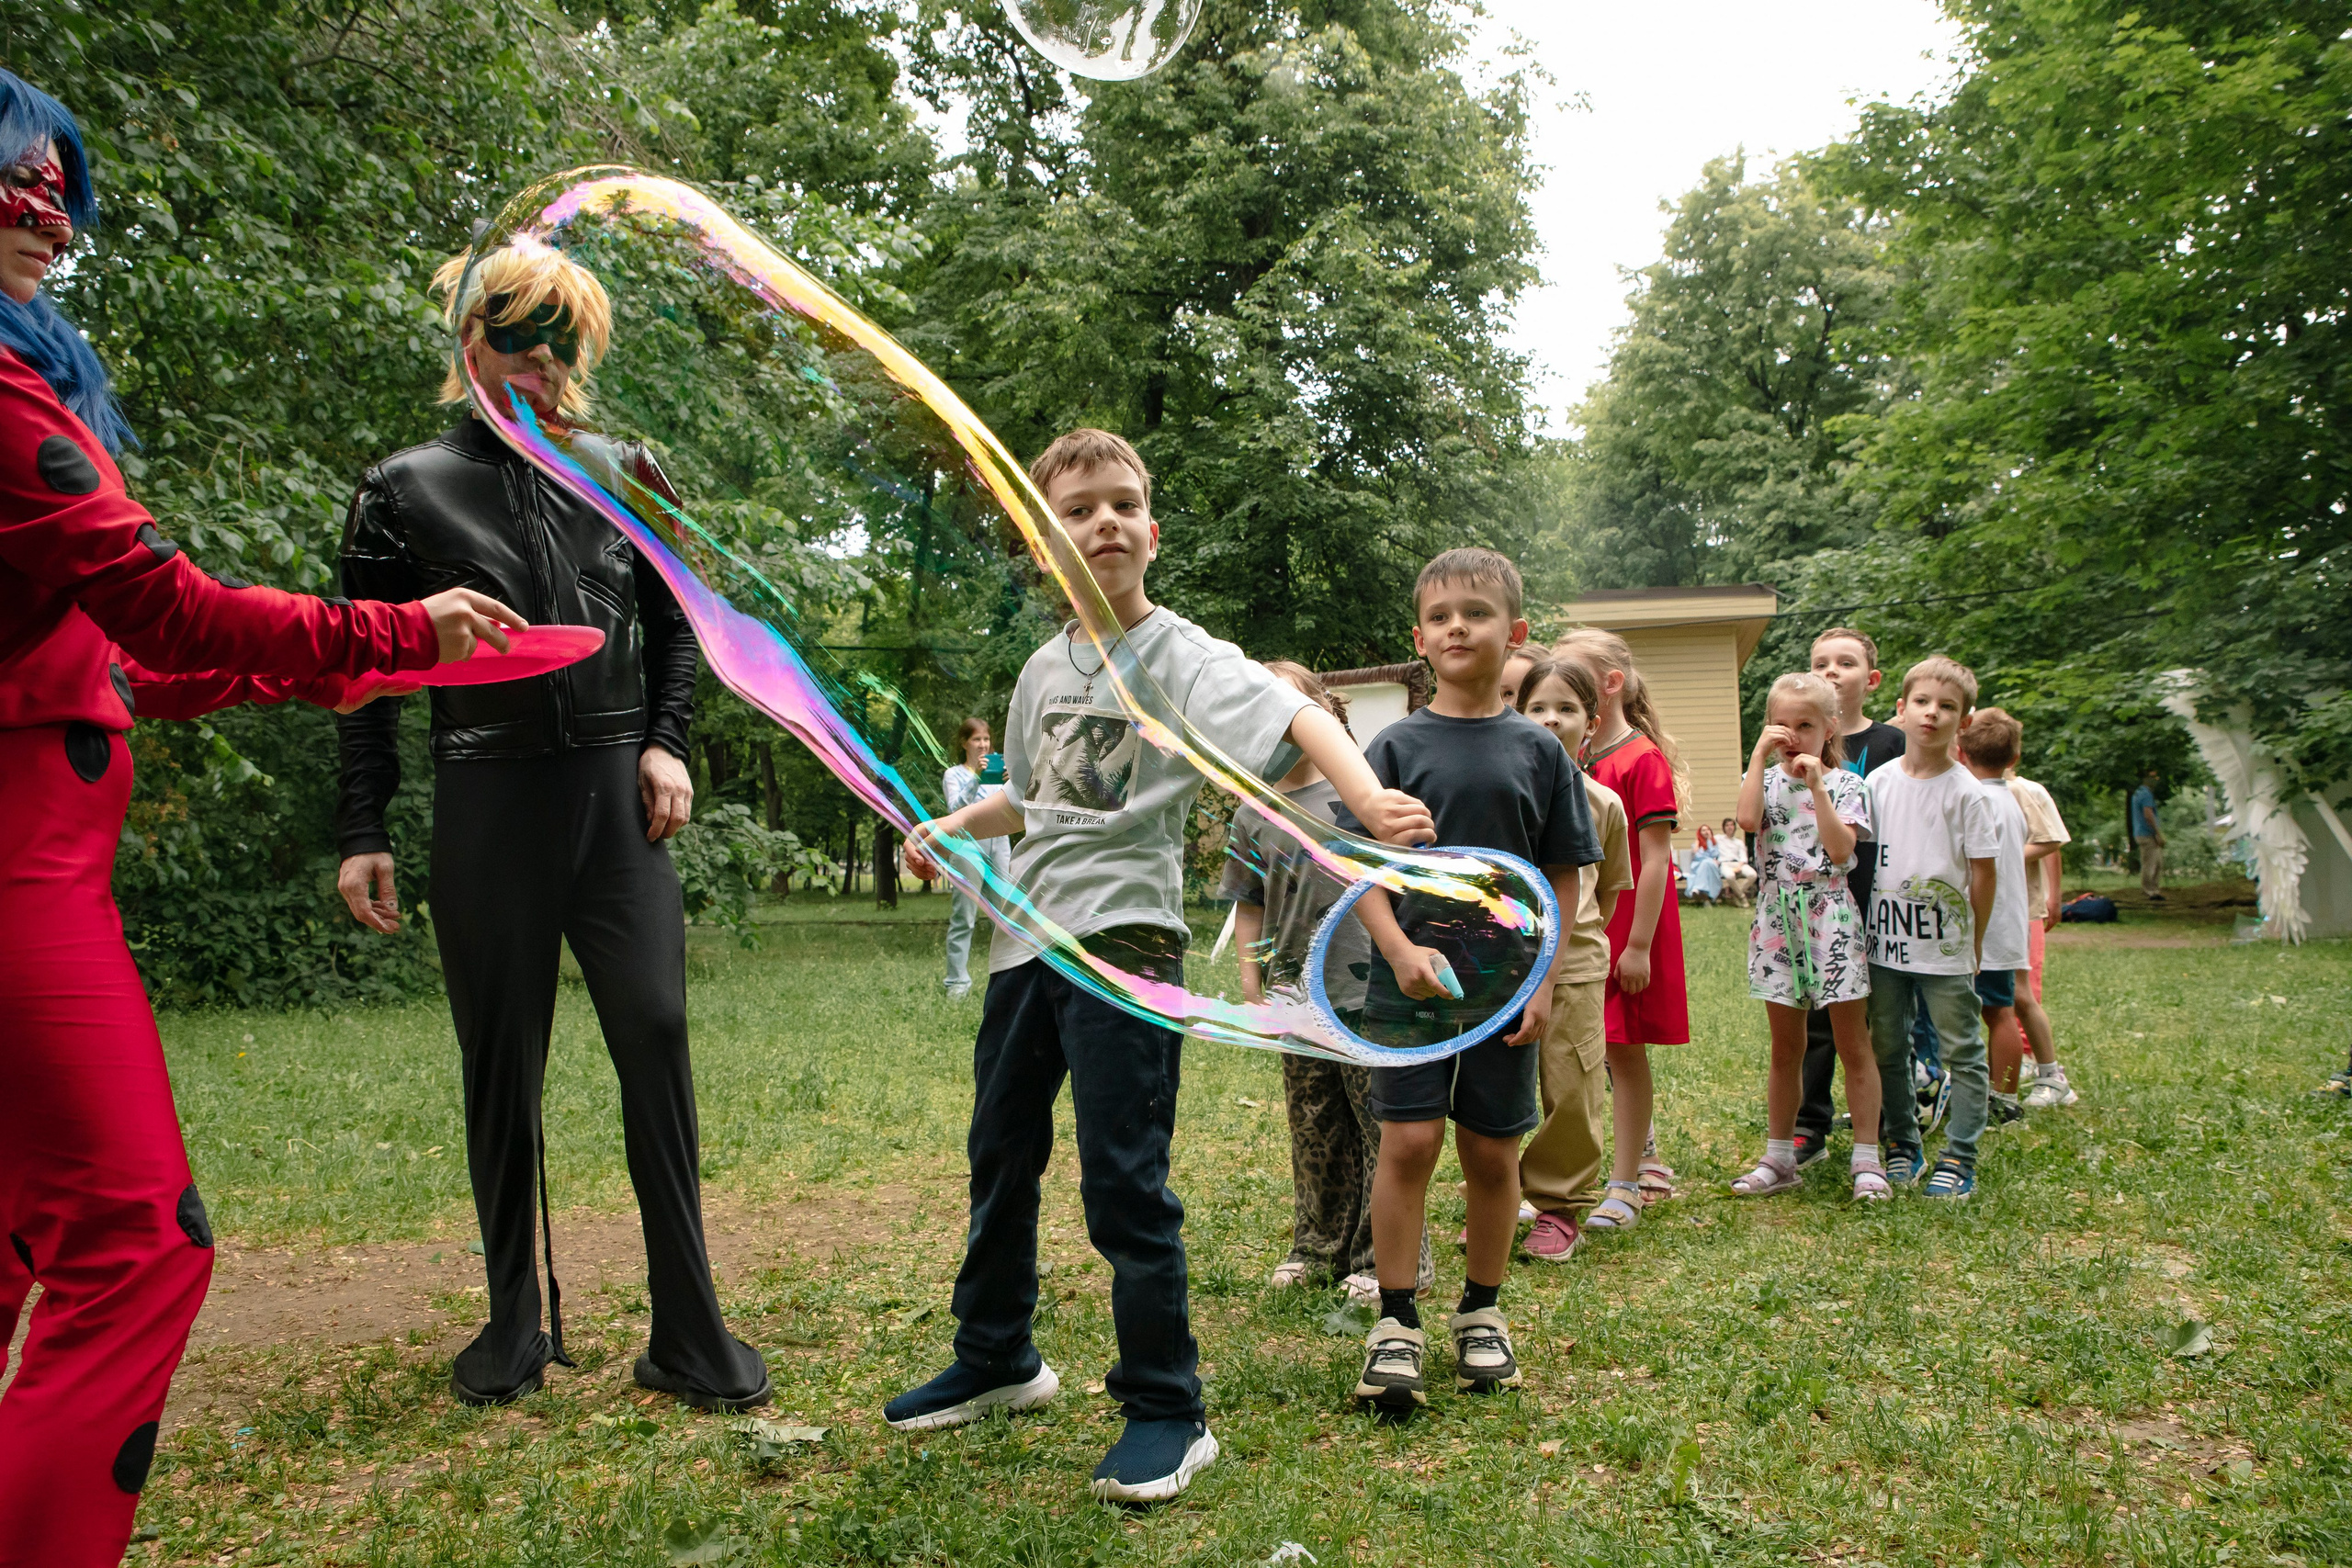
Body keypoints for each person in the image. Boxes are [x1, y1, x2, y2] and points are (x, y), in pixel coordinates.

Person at [0, 69, 525, 1568]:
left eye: (61, 190)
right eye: (16, 183)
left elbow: (125, 666)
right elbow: (164, 606)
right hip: (18, 874)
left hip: (40, 851)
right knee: (136, 1247)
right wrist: (392, 630)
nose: (49, 216)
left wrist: (361, 665)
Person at [892, 429, 1433, 1502]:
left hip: (1125, 940)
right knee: (999, 1152)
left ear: (1151, 530)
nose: (1104, 520)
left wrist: (1366, 798)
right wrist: (954, 827)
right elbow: (1035, 798)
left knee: (1121, 1177)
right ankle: (997, 1356)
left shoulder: (1180, 654)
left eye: (1123, 503)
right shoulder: (1042, 669)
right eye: (1078, 508)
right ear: (1047, 541)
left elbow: (1296, 715)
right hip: (1026, 943)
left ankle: (1167, 1409)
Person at [334, 241, 771, 1414]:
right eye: (518, 335)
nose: (540, 361)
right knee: (500, 1060)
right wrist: (363, 826)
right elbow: (363, 671)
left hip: (615, 800)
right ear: (471, 338)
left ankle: (689, 1330)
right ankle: (512, 1324)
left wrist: (667, 741)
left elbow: (679, 624)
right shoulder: (401, 488)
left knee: (657, 1034)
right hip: (486, 798)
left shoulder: (623, 467)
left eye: (560, 340)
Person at [1342, 550, 1596, 1414]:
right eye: (1440, 616)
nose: (1458, 627)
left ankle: (1481, 1311)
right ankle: (1396, 1320)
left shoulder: (1541, 750)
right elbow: (1361, 868)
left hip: (1504, 986)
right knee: (1409, 1143)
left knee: (1492, 1150)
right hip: (1406, 983)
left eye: (1477, 613)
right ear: (1419, 639)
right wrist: (1396, 951)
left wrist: (1542, 983)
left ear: (1515, 632)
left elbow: (1561, 875)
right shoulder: (1392, 746)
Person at [1222, 662, 1433, 1303]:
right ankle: (1317, 1247)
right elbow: (1249, 904)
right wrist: (1253, 981)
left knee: (1380, 1124)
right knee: (1314, 1124)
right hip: (1296, 996)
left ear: (1324, 710)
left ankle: (1386, 1257)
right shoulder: (1252, 813)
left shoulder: (1360, 795)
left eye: (1288, 706)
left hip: (1367, 990)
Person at [1729, 673, 1887, 1201]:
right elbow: (1747, 819)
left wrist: (1818, 785)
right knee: (1786, 1046)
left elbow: (1841, 850)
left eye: (1806, 725)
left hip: (1830, 918)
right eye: (1783, 725)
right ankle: (1779, 1157)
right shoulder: (1762, 779)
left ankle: (1867, 1159)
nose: (1793, 737)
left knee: (1852, 1042)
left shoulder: (1848, 786)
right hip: (1777, 918)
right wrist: (1758, 758)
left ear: (1829, 728)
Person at [1555, 627, 1690, 1228]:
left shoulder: (1641, 759)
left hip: (1630, 927)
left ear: (1609, 684)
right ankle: (1597, 1167)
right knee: (1591, 1049)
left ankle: (1628, 1182)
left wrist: (1637, 946)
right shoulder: (1576, 759)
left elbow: (1656, 858)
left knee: (1624, 1050)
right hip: (1588, 924)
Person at [1864, 657, 1999, 1199]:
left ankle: (1960, 1155)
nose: (1931, 714)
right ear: (1901, 708)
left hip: (1944, 951)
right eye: (1921, 702)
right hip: (1884, 947)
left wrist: (1975, 941)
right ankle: (1903, 1141)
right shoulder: (1877, 782)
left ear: (1963, 722)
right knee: (1887, 1046)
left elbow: (1984, 873)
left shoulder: (1968, 793)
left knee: (1961, 1050)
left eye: (1947, 707)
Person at [1514, 658, 1632, 1261]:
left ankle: (1558, 1205)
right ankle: (1498, 1196)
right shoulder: (1504, 796)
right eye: (1538, 707)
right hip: (1506, 963)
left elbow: (1609, 890)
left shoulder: (1603, 803)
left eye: (1567, 708)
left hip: (1576, 964)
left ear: (1591, 722)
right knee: (1497, 1086)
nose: (1551, 719)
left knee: (1570, 1083)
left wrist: (1577, 944)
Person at [1793, 627, 1909, 1168]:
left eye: (1846, 662)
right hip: (1819, 906)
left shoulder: (1891, 744)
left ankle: (1889, 1122)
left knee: (1878, 1020)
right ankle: (1808, 1125)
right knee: (1816, 1020)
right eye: (1821, 663)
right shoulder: (1800, 743)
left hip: (1876, 898)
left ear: (1873, 679)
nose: (1832, 672)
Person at [1957, 708, 2033, 1128]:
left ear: (1960, 751)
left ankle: (1999, 1098)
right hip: (2008, 925)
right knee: (2001, 1011)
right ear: (2014, 758)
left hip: (1984, 927)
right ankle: (2003, 1095)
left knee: (1991, 1013)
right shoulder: (2011, 802)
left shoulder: (1976, 800)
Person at [2004, 747, 2078, 1108]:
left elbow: (2051, 843)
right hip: (1990, 907)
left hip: (2024, 904)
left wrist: (2054, 897)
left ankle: (2037, 1061)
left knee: (2025, 987)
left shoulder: (2028, 791)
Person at [941, 716, 1012, 997]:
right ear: (964, 743)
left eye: (986, 739)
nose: (983, 744)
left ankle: (1008, 984)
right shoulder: (954, 775)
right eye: (976, 739)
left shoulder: (999, 774)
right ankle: (957, 984)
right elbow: (955, 810)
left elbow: (1012, 810)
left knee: (1005, 918)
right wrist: (975, 779)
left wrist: (1013, 784)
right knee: (964, 918)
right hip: (967, 848)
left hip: (1000, 845)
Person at [2132, 770, 2165, 899]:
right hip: (2147, 834)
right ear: (2146, 778)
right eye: (2153, 777)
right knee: (2150, 864)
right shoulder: (2146, 794)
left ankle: (2154, 890)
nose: (2156, 780)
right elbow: (2148, 814)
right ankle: (2149, 891)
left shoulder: (2138, 793)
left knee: (2157, 863)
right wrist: (2157, 833)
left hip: (2142, 832)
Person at [1715, 817, 1756, 906]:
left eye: (1731, 825)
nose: (1729, 827)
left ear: (1734, 827)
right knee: (1730, 876)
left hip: (1738, 864)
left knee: (1753, 875)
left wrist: (1739, 867)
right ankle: (1742, 898)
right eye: (1727, 825)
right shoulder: (1718, 839)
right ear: (1723, 828)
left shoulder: (1739, 842)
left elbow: (1743, 857)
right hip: (1725, 864)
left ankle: (1734, 895)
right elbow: (1706, 840)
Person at [1684, 825, 1725, 904]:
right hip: (1698, 866)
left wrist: (1709, 841)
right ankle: (1706, 898)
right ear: (1700, 833)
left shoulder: (1714, 843)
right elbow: (1698, 856)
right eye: (1703, 830)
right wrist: (1697, 843)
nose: (1706, 832)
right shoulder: (1697, 843)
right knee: (1706, 863)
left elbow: (1715, 854)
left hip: (1711, 866)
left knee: (1707, 863)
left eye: (1708, 830)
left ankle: (1697, 888)